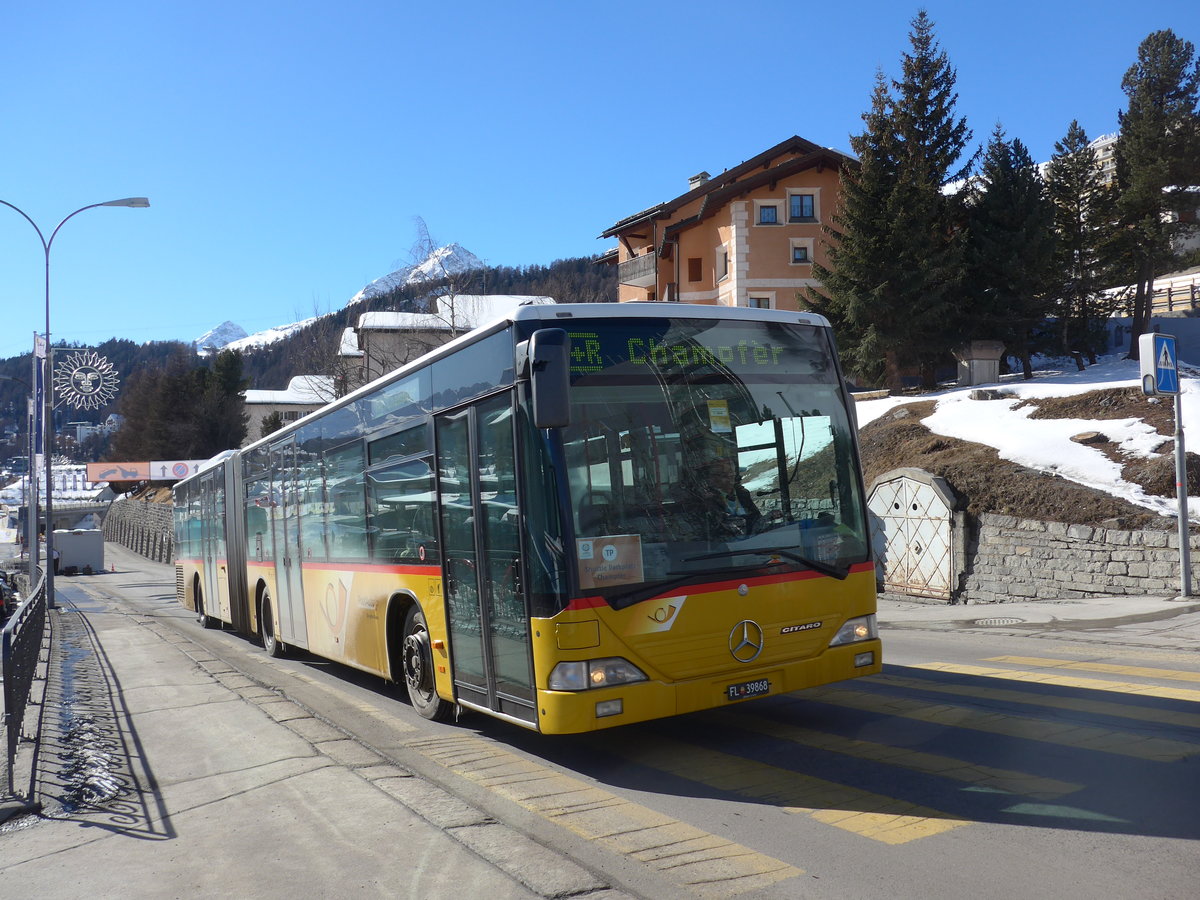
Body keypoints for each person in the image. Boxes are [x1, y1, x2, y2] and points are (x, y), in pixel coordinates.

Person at [674, 456, 761, 539]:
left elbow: (757, 518)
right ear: (712, 478)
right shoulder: (704, 500)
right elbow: (710, 529)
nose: (729, 478)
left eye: (731, 473)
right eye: (723, 475)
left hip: (750, 542)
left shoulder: (743, 494)